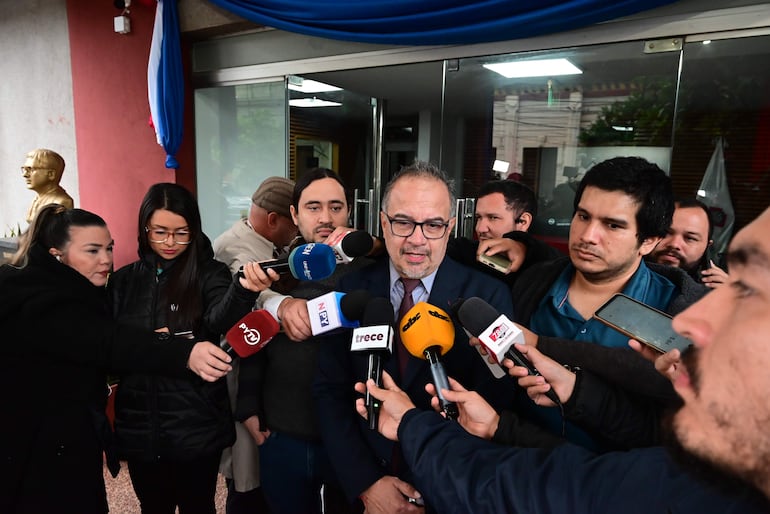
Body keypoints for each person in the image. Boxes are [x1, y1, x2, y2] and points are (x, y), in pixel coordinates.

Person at [354, 206, 770, 514]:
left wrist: (414, 426)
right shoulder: (715, 471)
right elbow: (605, 466)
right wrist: (562, 396)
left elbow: (546, 490)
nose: (694, 320)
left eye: (748, 290)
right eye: (582, 216)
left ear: (647, 241)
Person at [0, 204, 233, 514]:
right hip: (39, 450)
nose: (106, 260)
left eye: (109, 248)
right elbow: (108, 341)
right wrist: (183, 351)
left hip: (64, 441)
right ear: (57, 253)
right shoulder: (44, 300)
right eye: (92, 251)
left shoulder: (69, 289)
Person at [313, 160, 516, 514]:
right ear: (383, 223)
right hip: (360, 490)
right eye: (404, 222)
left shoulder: (488, 298)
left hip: (444, 490)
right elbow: (329, 391)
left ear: (450, 227)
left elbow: (496, 403)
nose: (417, 239)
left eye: (434, 225)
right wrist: (366, 483)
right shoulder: (350, 288)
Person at [505, 157, 707, 449]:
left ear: (649, 241)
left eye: (613, 225)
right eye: (583, 216)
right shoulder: (531, 284)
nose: (588, 236)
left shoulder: (682, 316)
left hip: (620, 486)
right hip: (517, 469)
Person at [109, 183, 271, 514]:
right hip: (140, 425)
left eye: (181, 233)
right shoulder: (125, 280)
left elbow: (218, 320)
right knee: (153, 506)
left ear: (194, 231)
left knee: (198, 506)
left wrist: (243, 291)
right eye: (160, 232)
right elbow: (112, 345)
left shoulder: (208, 273)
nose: (170, 243)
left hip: (196, 424)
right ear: (145, 229)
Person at [236, 168, 369, 514]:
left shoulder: (370, 269)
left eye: (336, 207)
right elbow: (254, 338)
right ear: (294, 214)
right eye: (313, 207)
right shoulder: (277, 269)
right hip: (282, 435)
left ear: (349, 211)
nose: (326, 217)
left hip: (348, 438)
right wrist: (249, 406)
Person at [213, 176, 297, 514]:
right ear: (274, 220)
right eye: (294, 223)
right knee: (246, 478)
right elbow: (261, 297)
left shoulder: (262, 241)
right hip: (239, 380)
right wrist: (292, 307)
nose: (296, 233)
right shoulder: (240, 252)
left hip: (260, 379)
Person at [447, 179, 562, 284]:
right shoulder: (466, 253)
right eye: (479, 218)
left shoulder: (544, 269)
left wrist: (524, 247)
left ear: (523, 222)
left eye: (493, 218)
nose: (480, 228)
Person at [648, 198, 728, 288]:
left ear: (707, 246)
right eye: (666, 232)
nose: (674, 244)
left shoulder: (718, 291)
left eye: (690, 238)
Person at [21, 148, 74, 223]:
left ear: (51, 174)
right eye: (25, 169)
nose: (25, 175)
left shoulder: (62, 202)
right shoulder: (36, 200)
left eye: (30, 169)